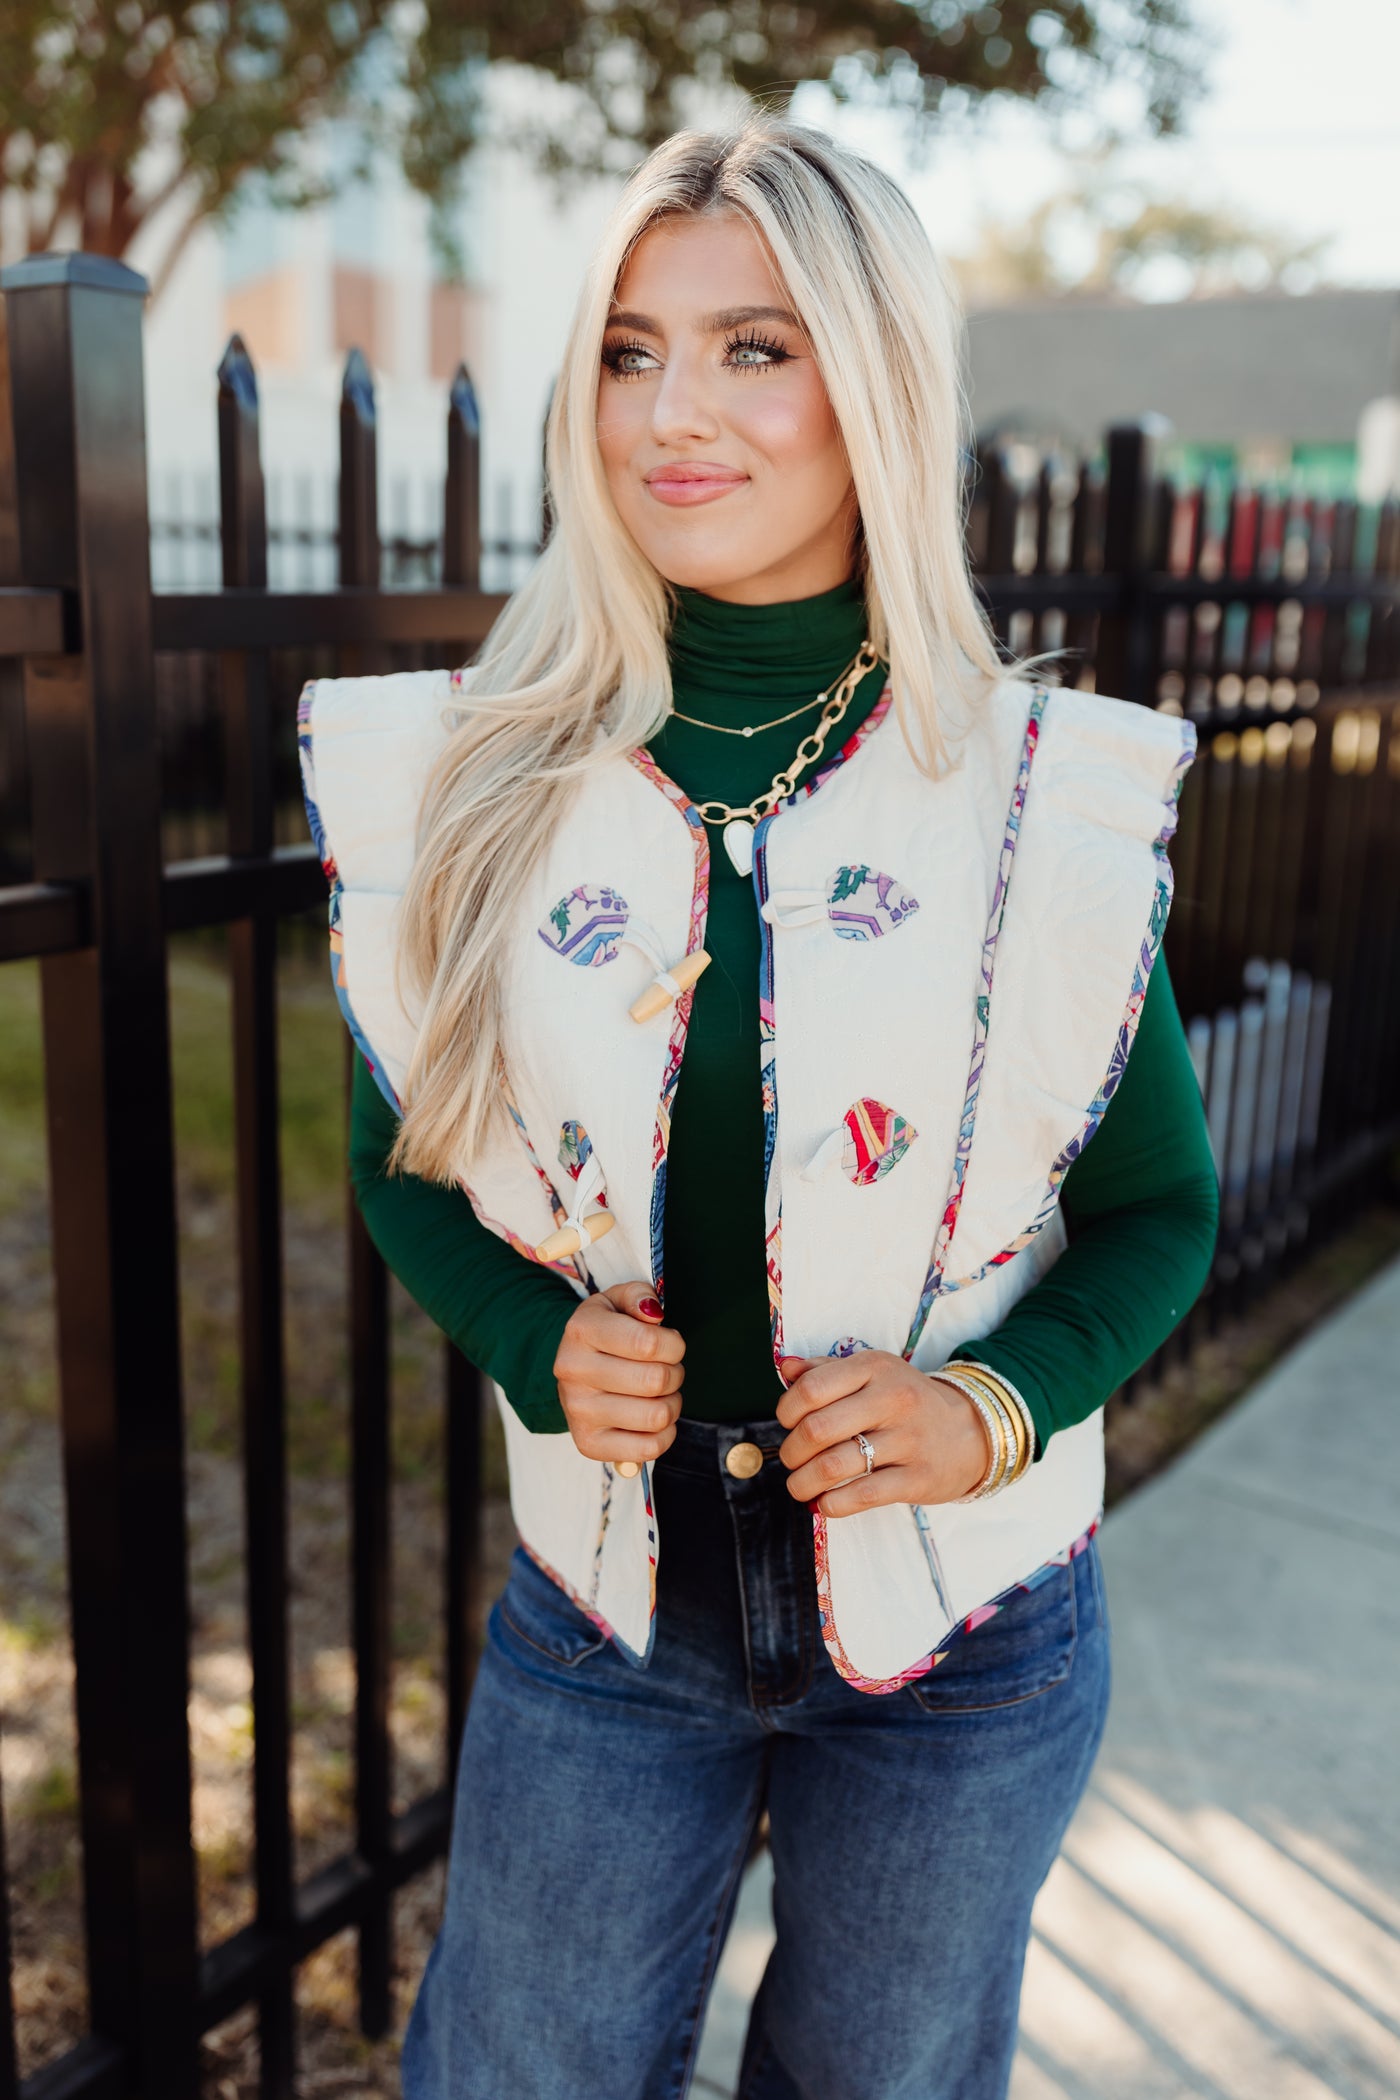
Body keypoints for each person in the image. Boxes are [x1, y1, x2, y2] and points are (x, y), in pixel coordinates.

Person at [298, 115, 1218, 2100]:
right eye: (629, 348)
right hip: (614, 1609)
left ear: (870, 378)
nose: (669, 412)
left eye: (751, 346)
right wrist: (526, 1336)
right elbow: (406, 1166)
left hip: (964, 1636)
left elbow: (1163, 1211)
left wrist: (987, 1405)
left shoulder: (1033, 805)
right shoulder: (482, 776)